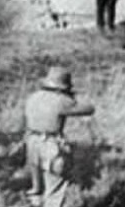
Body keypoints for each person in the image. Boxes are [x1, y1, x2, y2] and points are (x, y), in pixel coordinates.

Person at [24, 66, 94, 207]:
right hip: (50, 146)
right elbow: (89, 109)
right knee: (55, 192)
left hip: (32, 143)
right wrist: (73, 97)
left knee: (36, 190)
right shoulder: (61, 100)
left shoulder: (33, 97)